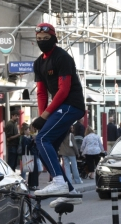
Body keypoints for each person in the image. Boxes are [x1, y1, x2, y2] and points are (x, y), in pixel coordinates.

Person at [31, 22, 85, 205]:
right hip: (61, 107)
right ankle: (70, 193)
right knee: (44, 147)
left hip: (72, 104)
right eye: (39, 39)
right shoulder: (39, 63)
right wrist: (41, 118)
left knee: (42, 140)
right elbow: (41, 92)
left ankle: (59, 182)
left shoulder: (62, 58)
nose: (42, 41)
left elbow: (63, 90)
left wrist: (44, 116)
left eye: (46, 39)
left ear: (54, 38)